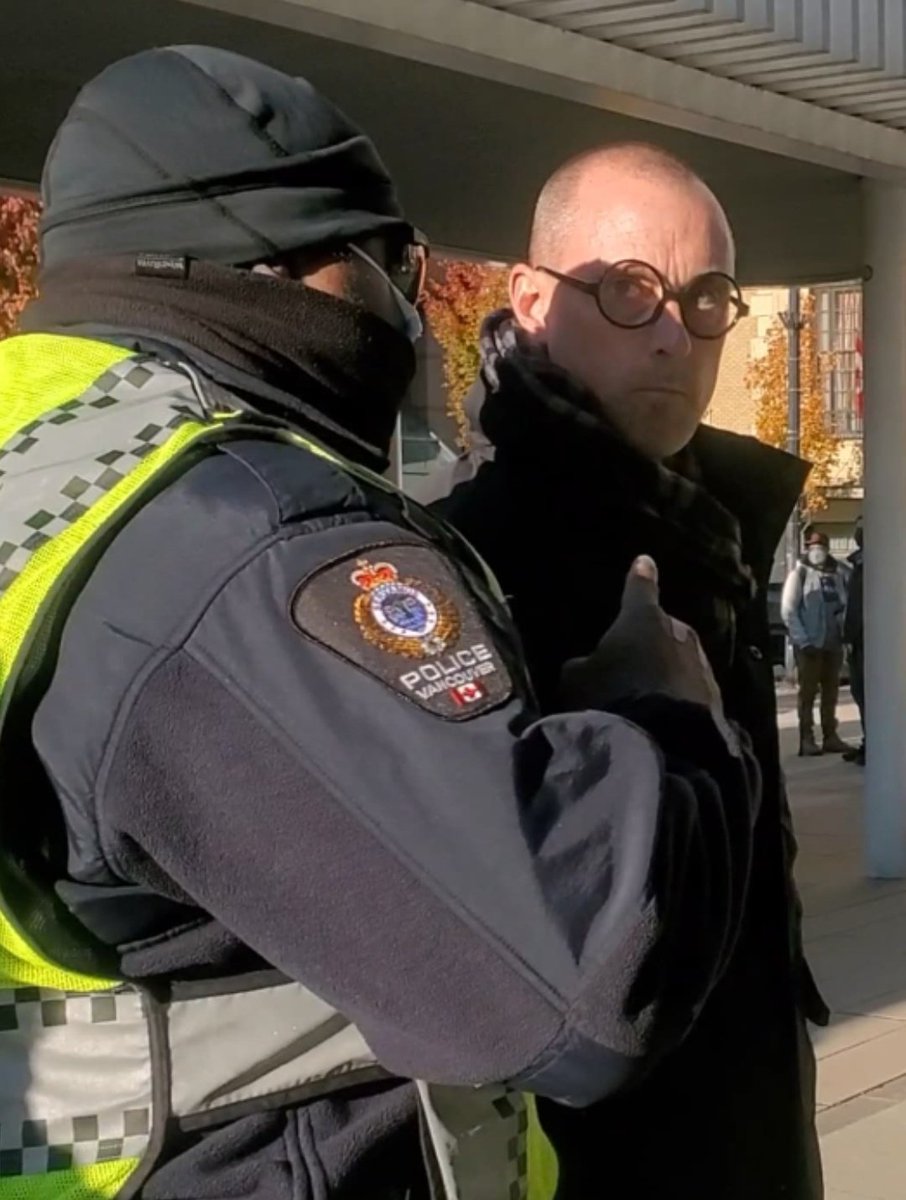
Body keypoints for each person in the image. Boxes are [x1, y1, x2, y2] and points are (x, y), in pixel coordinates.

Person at [0, 50, 761, 1200]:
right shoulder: (248, 534)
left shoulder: (45, 462)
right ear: (304, 263)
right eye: (391, 266)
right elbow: (577, 977)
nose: (406, 308)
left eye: (706, 299)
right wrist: (664, 718)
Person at [425, 142, 827, 1199]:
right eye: (629, 290)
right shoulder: (460, 562)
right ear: (532, 297)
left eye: (705, 298)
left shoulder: (713, 537)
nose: (672, 334)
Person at [782, 530, 853, 757]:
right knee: (808, 693)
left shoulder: (838, 573)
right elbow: (789, 610)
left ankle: (830, 735)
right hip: (809, 646)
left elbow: (845, 605)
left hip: (833, 644)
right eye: (813, 547)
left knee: (831, 693)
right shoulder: (800, 574)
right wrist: (803, 641)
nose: (817, 551)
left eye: (821, 546)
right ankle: (806, 738)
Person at [843, 516, 865, 764]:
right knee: (860, 693)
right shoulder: (857, 564)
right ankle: (868, 741)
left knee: (869, 694)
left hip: (869, 640)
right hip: (858, 640)